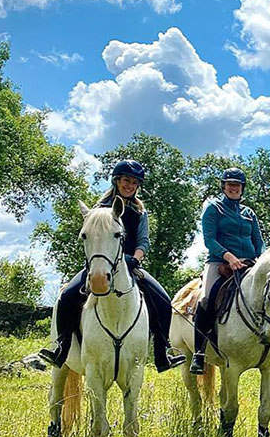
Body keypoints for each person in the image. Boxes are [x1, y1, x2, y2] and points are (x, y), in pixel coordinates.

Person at [39, 160, 185, 373]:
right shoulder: (99, 210)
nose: (130, 185)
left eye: (134, 182)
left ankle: (163, 352)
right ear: (117, 180)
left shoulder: (139, 212)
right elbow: (91, 239)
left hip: (130, 266)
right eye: (126, 180)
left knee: (163, 300)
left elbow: (143, 241)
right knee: (67, 296)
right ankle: (61, 347)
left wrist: (135, 257)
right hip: (100, 265)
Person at [189, 167, 270, 374]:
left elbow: (258, 241)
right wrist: (229, 257)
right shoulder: (213, 209)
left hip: (249, 265)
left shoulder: (249, 213)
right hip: (219, 263)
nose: (234, 188)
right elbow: (209, 240)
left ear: (242, 188)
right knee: (206, 300)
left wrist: (257, 261)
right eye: (230, 184)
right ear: (223, 186)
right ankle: (199, 353)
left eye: (237, 185)